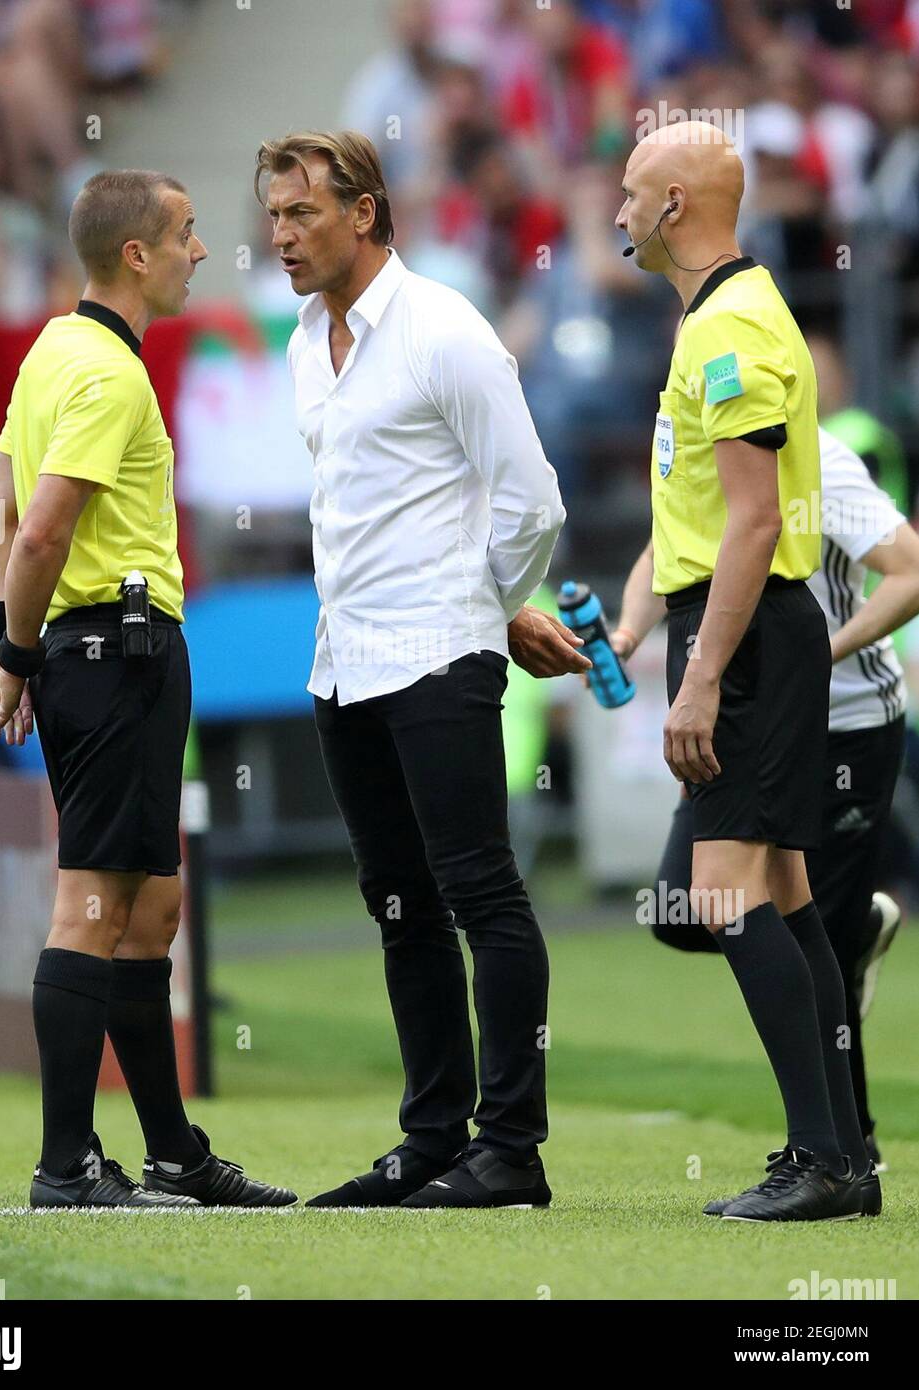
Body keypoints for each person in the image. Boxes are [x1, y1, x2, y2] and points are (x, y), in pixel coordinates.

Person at [256, 129, 588, 1209]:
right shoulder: (307, 338)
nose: (280, 236)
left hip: (438, 652)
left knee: (478, 889)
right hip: (341, 662)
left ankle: (511, 1149)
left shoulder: (445, 329)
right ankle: (431, 1136)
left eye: (300, 212)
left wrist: (483, 609)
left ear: (363, 211)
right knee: (398, 903)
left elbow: (532, 498)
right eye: (271, 215)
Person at [0, 169, 297, 1210]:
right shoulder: (107, 373)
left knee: (150, 908)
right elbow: (40, 525)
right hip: (116, 648)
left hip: (99, 652)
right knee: (95, 903)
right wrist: (17, 656)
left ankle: (172, 1153)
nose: (204, 250)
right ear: (139, 257)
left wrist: (1, 638)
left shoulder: (52, 353)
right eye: (188, 233)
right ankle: (65, 1163)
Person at [615, 119, 880, 1221]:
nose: (619, 208)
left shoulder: (724, 327)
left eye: (632, 190)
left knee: (720, 895)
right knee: (783, 893)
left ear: (676, 202)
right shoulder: (729, 313)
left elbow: (751, 519)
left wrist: (697, 675)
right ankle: (839, 1156)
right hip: (756, 630)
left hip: (745, 631)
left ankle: (819, 1158)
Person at [614, 426, 919, 1175]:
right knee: (682, 908)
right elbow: (665, 551)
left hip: (845, 725)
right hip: (746, 713)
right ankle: (833, 1143)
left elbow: (908, 571)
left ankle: (846, 1152)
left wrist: (815, 656)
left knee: (810, 931)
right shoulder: (698, 446)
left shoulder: (821, 465)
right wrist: (625, 632)